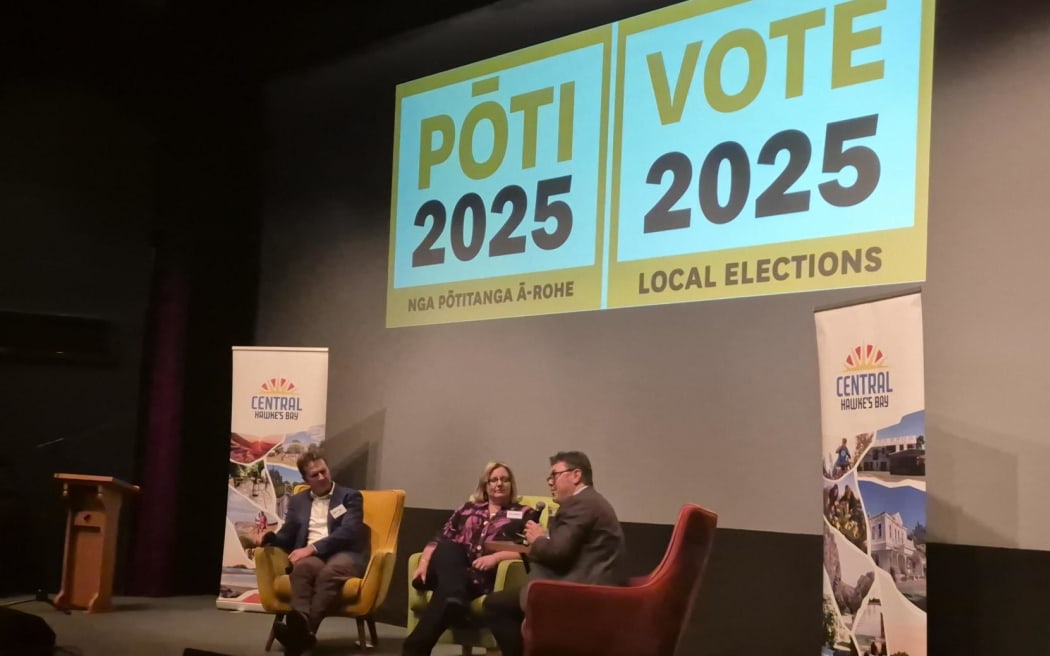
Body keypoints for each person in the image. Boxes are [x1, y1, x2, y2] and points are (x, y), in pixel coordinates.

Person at [482, 451, 625, 656]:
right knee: (502, 603)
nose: (550, 482)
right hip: (586, 586)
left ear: (576, 475)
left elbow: (558, 553)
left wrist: (538, 539)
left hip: (578, 592)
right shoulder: (590, 501)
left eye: (555, 475)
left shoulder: (580, 504)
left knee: (496, 606)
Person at [403, 461, 533, 656]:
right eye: (494, 480)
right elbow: (439, 538)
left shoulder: (523, 513)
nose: (499, 484)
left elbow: (529, 548)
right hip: (451, 567)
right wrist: (423, 564)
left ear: (511, 485)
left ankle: (414, 647)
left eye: (505, 480)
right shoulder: (467, 509)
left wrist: (497, 557)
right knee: (449, 546)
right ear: (485, 485)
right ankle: (453, 593)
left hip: (482, 577)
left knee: (447, 595)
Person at [260, 450, 369, 656]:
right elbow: (288, 534)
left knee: (330, 572)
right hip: (314, 557)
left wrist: (312, 548)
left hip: (345, 553)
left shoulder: (350, 496)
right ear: (305, 479)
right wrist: (272, 539)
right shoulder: (298, 501)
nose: (322, 477)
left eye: (324, 471)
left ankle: (302, 634)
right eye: (315, 475)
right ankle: (302, 634)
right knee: (302, 569)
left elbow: (349, 531)